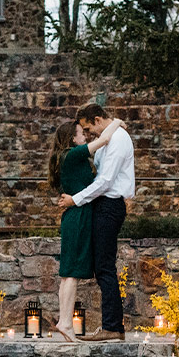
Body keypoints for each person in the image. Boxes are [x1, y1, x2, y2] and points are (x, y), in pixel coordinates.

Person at [58, 103, 135, 342]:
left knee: (105, 267)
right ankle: (112, 325)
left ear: (98, 119)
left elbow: (104, 181)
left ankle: (112, 326)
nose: (88, 132)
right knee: (102, 267)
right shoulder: (107, 137)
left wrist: (75, 200)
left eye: (88, 127)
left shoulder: (118, 140)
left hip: (109, 205)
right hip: (103, 205)